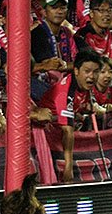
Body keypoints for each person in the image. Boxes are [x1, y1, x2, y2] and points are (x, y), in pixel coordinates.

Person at [38, 49, 102, 182]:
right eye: (87, 71)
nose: (92, 76)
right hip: (46, 134)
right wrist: (68, 167)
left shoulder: (84, 85)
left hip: (58, 129)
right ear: (76, 71)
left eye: (96, 72)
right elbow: (67, 131)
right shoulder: (66, 91)